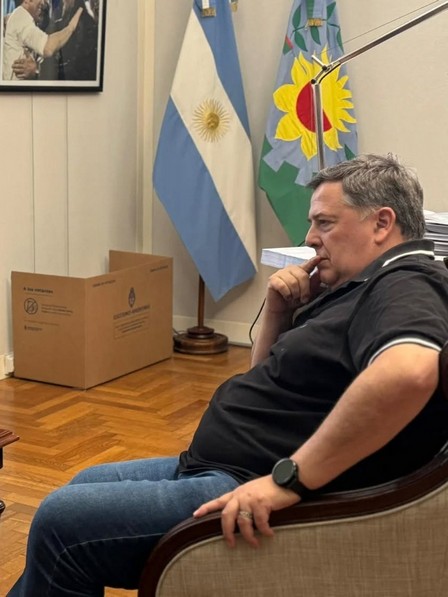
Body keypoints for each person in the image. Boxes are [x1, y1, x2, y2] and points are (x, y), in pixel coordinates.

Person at [7, 154, 448, 595]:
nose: (311, 238)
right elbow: (267, 379)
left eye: (325, 223)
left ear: (382, 223)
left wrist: (289, 480)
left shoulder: (407, 282)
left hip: (251, 480)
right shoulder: (359, 285)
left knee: (62, 519)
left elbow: (408, 373)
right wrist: (278, 313)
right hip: (223, 464)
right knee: (82, 485)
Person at [2, 0, 82, 81]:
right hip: (15, 88)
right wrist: (70, 28)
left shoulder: (30, 21)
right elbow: (48, 48)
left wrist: (36, 69)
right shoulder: (21, 17)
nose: (44, 3)